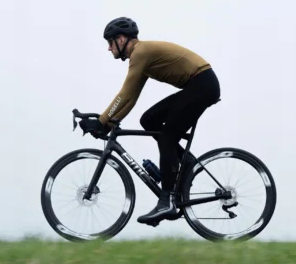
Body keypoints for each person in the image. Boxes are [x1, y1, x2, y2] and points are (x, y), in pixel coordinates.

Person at [80, 17, 221, 225]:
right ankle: (187, 162)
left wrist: (101, 121)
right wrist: (108, 124)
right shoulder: (142, 57)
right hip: (199, 85)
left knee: (167, 138)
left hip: (202, 85)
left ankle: (167, 201)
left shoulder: (140, 53)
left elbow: (125, 93)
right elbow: (131, 98)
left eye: (110, 43)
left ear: (121, 39)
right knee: (149, 120)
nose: (109, 48)